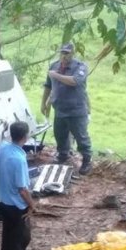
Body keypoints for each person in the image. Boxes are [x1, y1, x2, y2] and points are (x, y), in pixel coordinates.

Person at [0, 121, 38, 250]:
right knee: (21, 236)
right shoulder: (19, 159)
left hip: (3, 200)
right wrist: (32, 205)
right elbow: (23, 189)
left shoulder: (3, 148)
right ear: (25, 136)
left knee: (8, 232)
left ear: (11, 134)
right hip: (17, 204)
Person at [40, 42, 92, 175]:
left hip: (76, 110)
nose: (64, 56)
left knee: (81, 137)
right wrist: (44, 102)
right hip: (60, 109)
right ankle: (63, 155)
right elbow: (48, 86)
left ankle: (86, 160)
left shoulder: (80, 67)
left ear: (72, 53)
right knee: (60, 135)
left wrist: (55, 75)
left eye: (67, 53)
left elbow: (74, 81)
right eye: (62, 53)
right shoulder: (54, 66)